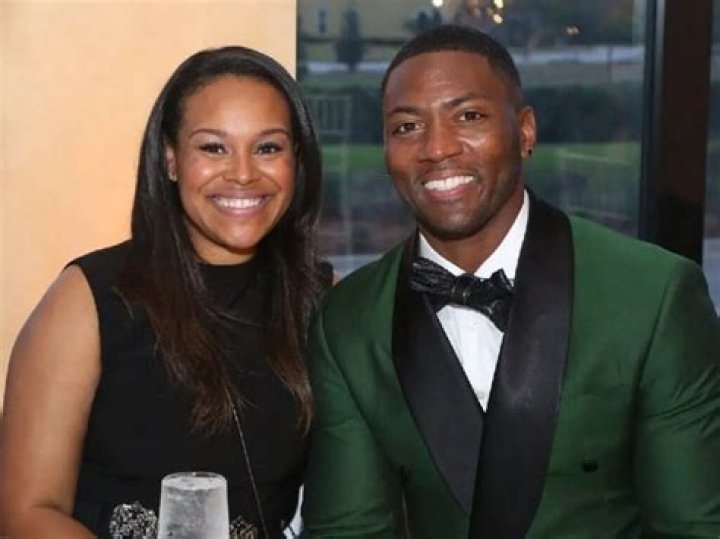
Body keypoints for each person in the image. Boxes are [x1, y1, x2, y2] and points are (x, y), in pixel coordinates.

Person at [302, 25, 720, 538]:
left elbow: (692, 528)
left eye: (469, 116)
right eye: (407, 126)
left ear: (524, 132)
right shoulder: (347, 321)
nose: (437, 148)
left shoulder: (653, 294)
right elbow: (350, 530)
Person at [0, 45, 329, 538]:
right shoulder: (89, 299)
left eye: (268, 148)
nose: (243, 173)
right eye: (213, 147)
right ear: (171, 159)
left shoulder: (322, 302)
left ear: (296, 162)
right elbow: (25, 511)